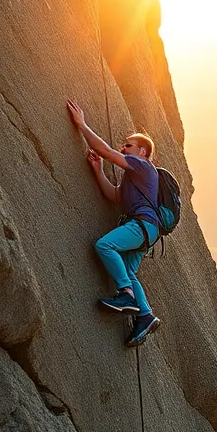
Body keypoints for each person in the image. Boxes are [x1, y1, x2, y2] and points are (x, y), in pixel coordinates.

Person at [66, 98, 161, 347]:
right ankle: (145, 315)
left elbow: (108, 152)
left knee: (104, 246)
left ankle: (126, 295)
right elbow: (113, 196)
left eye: (128, 145)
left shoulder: (143, 166)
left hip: (141, 226)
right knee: (129, 271)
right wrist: (98, 170)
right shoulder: (134, 180)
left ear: (143, 151)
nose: (124, 147)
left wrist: (82, 125)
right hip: (147, 232)